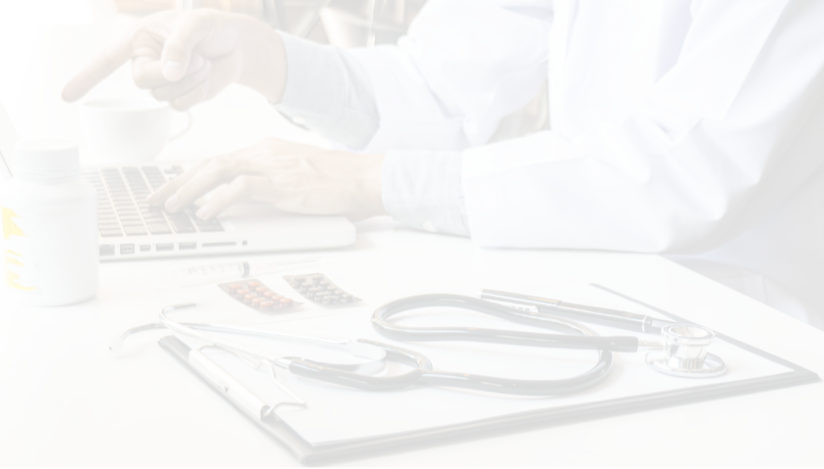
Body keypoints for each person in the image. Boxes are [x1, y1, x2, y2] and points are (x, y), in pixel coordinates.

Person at [62, 0, 824, 328]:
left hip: (753, 326)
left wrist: (372, 183)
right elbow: (438, 83)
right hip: (612, 290)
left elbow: (690, 167)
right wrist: (263, 58)